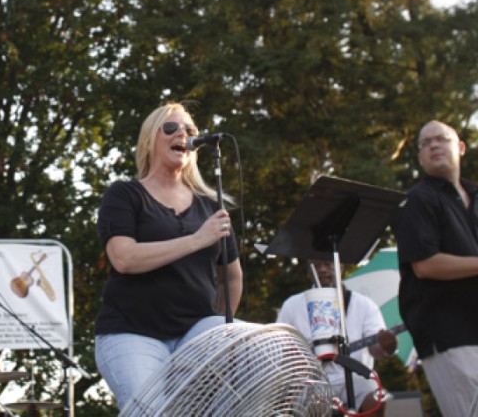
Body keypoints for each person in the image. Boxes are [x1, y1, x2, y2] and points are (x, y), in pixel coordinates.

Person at [93, 102, 243, 411]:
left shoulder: (210, 205)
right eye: (171, 128)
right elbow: (124, 258)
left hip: (196, 330)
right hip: (131, 331)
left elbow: (232, 275)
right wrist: (196, 240)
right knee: (151, 409)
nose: (184, 134)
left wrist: (217, 324)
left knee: (256, 355)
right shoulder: (124, 194)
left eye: (190, 130)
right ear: (150, 139)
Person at [394, 120, 478, 417]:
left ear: (461, 148)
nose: (433, 146)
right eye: (425, 143)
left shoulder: (475, 195)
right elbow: (425, 265)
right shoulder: (418, 200)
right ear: (420, 158)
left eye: (441, 139)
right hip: (448, 337)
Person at [277, 259, 398, 416]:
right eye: (317, 266)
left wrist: (387, 345)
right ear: (309, 273)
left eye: (327, 264)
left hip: (356, 376)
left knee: (376, 398)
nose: (322, 270)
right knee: (313, 408)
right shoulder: (292, 305)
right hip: (311, 380)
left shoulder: (363, 304)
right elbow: (280, 348)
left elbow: (376, 350)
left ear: (340, 268)